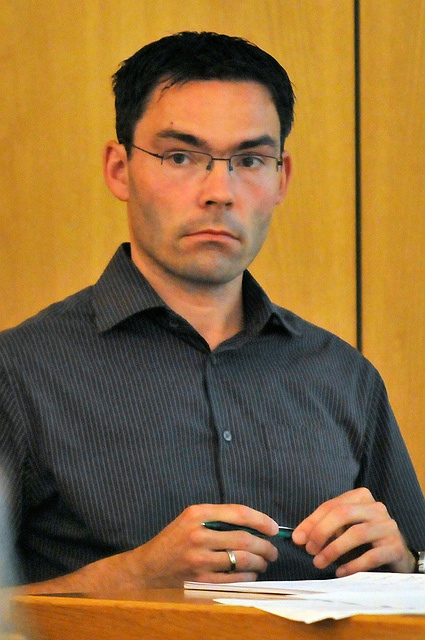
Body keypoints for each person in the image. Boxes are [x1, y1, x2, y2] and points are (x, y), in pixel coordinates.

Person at [1, 31, 424, 595]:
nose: (219, 191)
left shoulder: (344, 376)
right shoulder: (18, 371)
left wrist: (407, 571)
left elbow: (415, 570)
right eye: (181, 157)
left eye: (249, 160)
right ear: (119, 169)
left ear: (281, 178)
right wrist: (128, 578)